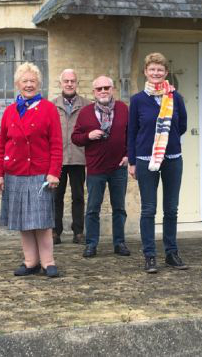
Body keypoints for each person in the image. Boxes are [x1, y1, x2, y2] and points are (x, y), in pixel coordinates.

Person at [0, 62, 63, 278]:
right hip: (15, 173)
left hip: (40, 173)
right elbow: (1, 145)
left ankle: (48, 262)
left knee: (42, 221)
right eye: (25, 81)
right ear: (17, 84)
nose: (29, 85)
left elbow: (56, 144)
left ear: (39, 84)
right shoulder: (9, 111)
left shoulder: (48, 109)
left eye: (33, 81)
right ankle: (30, 261)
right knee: (23, 222)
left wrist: (54, 172)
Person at [128, 52, 188, 273]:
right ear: (145, 72)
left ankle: (171, 253)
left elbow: (181, 125)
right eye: (152, 69)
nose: (156, 73)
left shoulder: (175, 98)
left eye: (160, 70)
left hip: (172, 157)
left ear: (165, 73)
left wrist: (165, 142)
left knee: (171, 209)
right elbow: (132, 132)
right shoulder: (137, 100)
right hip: (145, 159)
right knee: (148, 209)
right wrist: (132, 161)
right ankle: (150, 255)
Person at [71, 76, 130, 258]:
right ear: (94, 92)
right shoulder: (86, 112)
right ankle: (91, 244)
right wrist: (89, 135)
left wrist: (129, 155)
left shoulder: (123, 109)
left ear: (113, 89)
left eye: (107, 88)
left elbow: (131, 134)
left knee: (119, 207)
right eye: (99, 89)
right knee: (93, 208)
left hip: (118, 167)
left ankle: (119, 243)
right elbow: (75, 137)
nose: (103, 91)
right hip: (96, 168)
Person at [51, 69, 90, 245]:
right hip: (57, 158)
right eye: (66, 81)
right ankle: (55, 231)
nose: (69, 84)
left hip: (78, 157)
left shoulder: (87, 106)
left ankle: (78, 232)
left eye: (72, 81)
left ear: (77, 83)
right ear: (60, 83)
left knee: (78, 196)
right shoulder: (51, 106)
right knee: (55, 197)